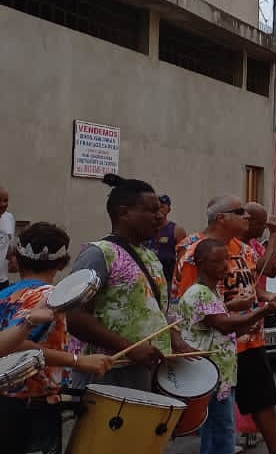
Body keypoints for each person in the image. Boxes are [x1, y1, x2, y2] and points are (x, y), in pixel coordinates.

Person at [174, 196, 276, 454]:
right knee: (218, 419)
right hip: (216, 344)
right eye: (241, 212)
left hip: (248, 338)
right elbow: (191, 305)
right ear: (221, 218)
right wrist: (240, 309)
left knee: (260, 398)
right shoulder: (195, 250)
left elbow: (255, 278)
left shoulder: (241, 247)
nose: (247, 217)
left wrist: (265, 297)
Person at [64, 174, 195, 391]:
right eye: (152, 210)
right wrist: (130, 348)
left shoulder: (150, 256)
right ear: (124, 213)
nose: (161, 216)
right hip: (109, 374)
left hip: (147, 372)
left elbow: (155, 311)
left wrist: (174, 338)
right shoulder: (99, 254)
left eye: (161, 210)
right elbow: (75, 317)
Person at [0, 223, 115, 454]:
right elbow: (19, 346)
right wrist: (77, 360)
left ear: (15, 258)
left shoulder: (5, 293)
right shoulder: (50, 297)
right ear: (63, 263)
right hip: (31, 403)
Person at [177, 238, 276, 454]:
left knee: (220, 433)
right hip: (211, 376)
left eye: (227, 259)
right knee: (220, 434)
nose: (226, 266)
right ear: (201, 263)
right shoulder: (200, 292)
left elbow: (225, 331)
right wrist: (262, 311)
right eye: (218, 261)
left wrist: (249, 320)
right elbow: (222, 325)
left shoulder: (212, 292)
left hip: (220, 375)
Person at [149, 194, 188, 283]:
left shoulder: (177, 230)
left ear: (169, 210)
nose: (159, 210)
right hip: (149, 277)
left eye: (162, 207)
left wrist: (177, 280)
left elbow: (182, 258)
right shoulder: (146, 229)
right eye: (156, 207)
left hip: (169, 278)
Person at [0, 185, 15, 285]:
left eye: (5, 200)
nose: (2, 204)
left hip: (3, 281)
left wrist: (12, 258)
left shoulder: (9, 218)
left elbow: (7, 244)